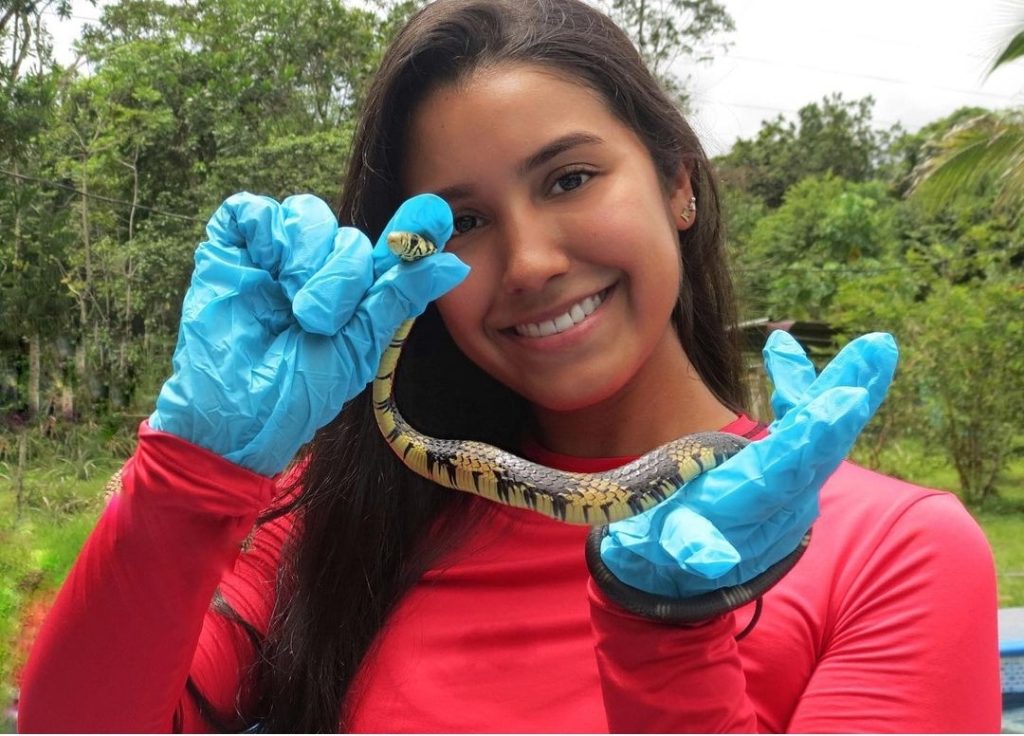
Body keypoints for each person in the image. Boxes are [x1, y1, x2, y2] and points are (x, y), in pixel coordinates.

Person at [19, 0, 1000, 732]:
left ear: (678, 183)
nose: (529, 262)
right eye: (469, 220)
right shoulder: (344, 516)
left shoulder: (893, 553)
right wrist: (188, 477)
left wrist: (665, 633)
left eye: (569, 178)